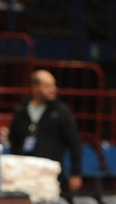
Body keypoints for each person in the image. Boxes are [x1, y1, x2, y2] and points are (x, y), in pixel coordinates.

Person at [8, 68, 83, 196]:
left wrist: (76, 172)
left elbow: (74, 143)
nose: (53, 89)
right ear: (35, 87)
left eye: (54, 85)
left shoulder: (61, 111)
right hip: (25, 173)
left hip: (50, 174)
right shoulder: (21, 109)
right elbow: (13, 139)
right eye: (48, 85)